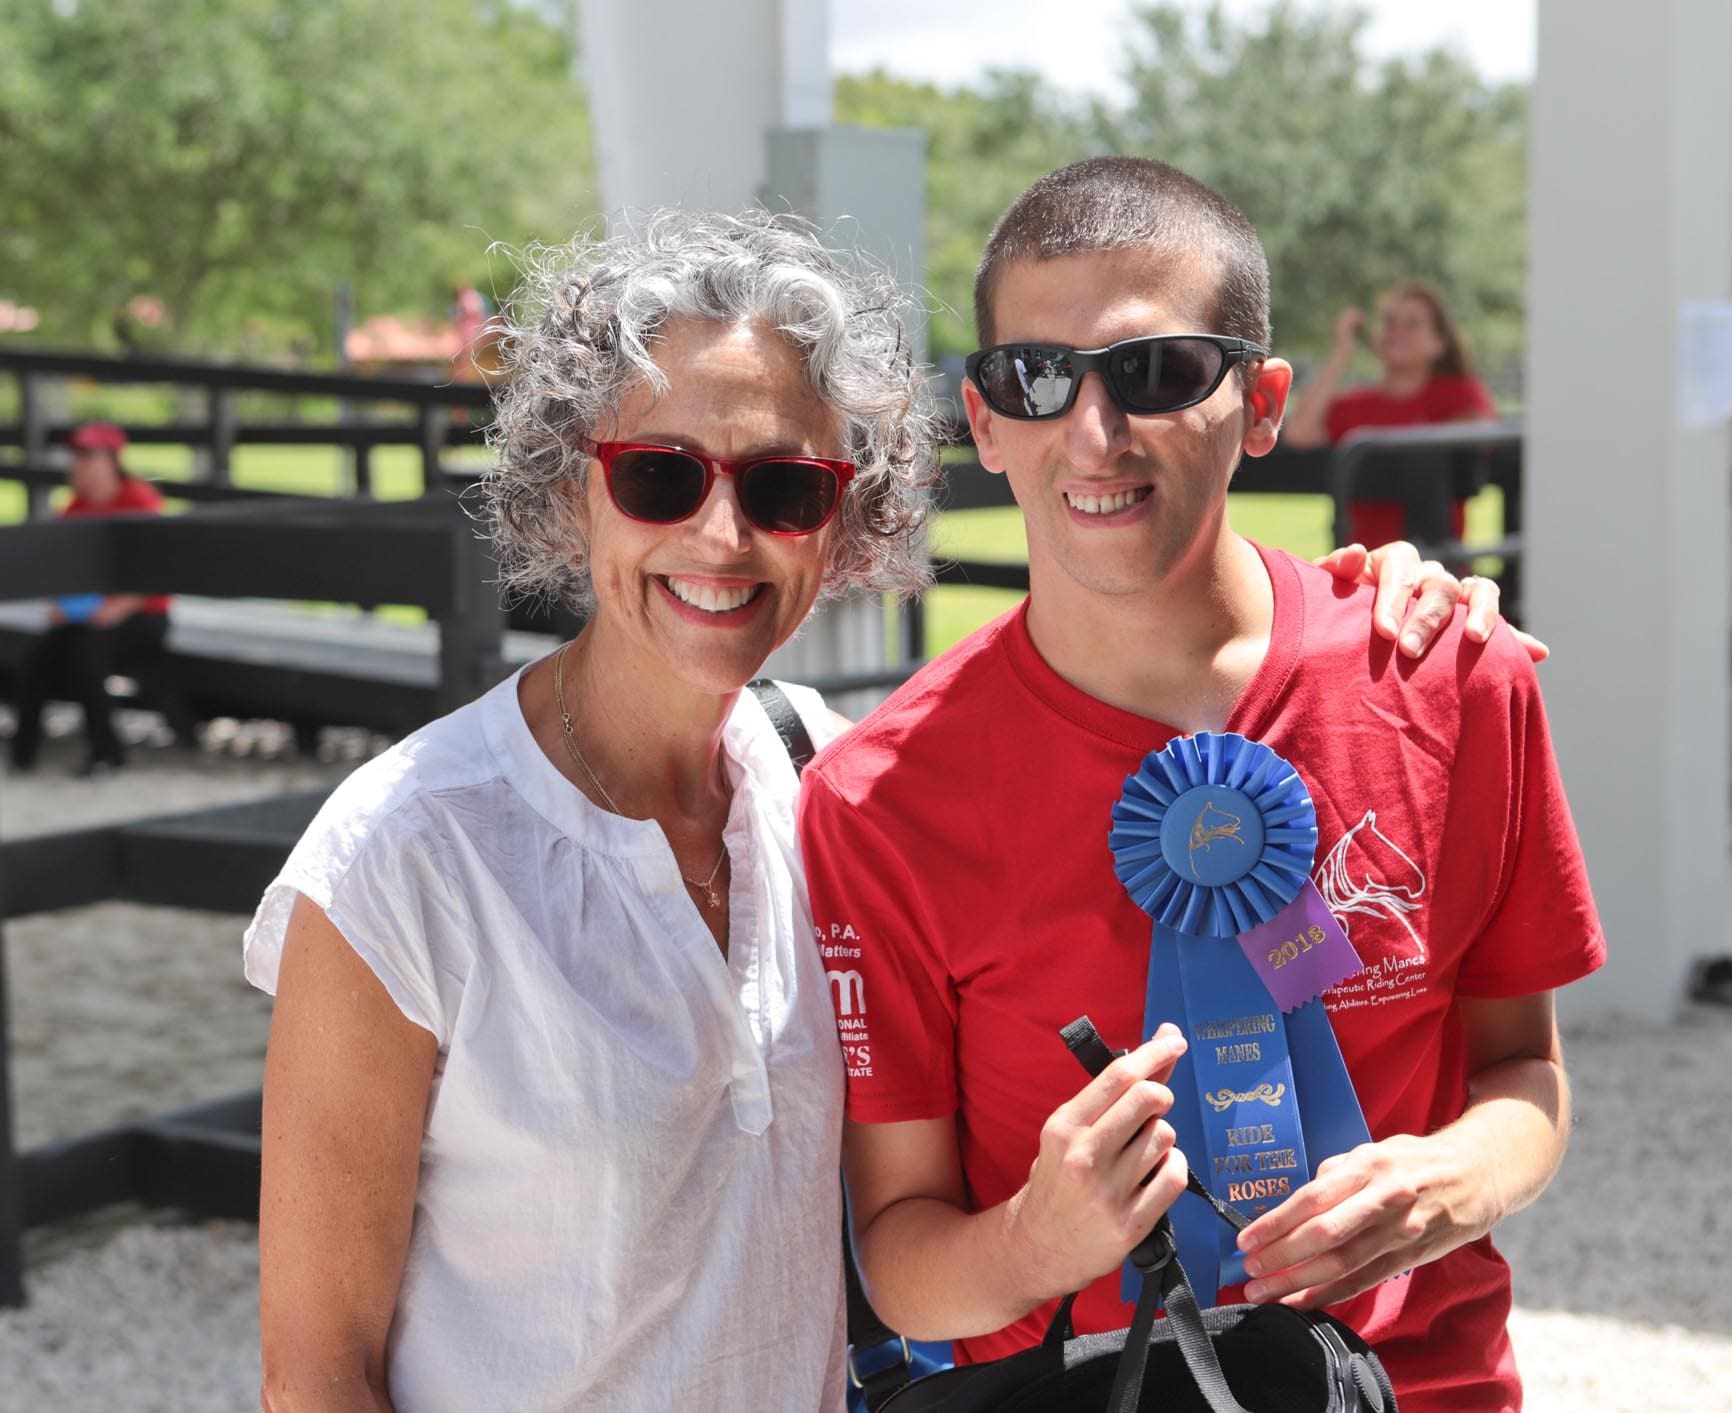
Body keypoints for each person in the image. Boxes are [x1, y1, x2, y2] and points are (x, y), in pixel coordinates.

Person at [247, 209, 1521, 1412]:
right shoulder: (403, 856)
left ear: (842, 519)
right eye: (659, 478)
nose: (724, 534)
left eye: (785, 488)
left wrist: (1365, 608)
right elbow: (314, 1378)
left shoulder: (829, 781)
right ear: (568, 487)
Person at [799, 158, 1602, 1413]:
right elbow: (900, 1260)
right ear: (986, 420)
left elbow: (1526, 1077)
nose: (1094, 433)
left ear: (1263, 403)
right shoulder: (877, 799)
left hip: (1421, 1386)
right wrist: (1034, 1243)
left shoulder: (1453, 678)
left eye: (1158, 371)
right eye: (1037, 377)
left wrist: (1451, 1185)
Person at [6, 421, 190, 775]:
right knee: (34, 661)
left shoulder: (140, 501)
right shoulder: (75, 508)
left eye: (90, 456)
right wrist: (57, 605)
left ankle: (107, 752)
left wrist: (119, 607)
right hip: (87, 617)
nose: (81, 464)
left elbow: (158, 571)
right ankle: (21, 756)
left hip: (141, 616)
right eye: (78, 456)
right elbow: (57, 569)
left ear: (112, 460)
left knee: (86, 657)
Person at [1283, 279, 1499, 549]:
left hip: (1432, 561)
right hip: (1364, 562)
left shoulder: (1459, 394)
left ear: (1438, 343)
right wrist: (1341, 352)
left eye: (1412, 324)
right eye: (1389, 322)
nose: (1396, 332)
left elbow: (1486, 436)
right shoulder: (1357, 404)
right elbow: (1299, 434)